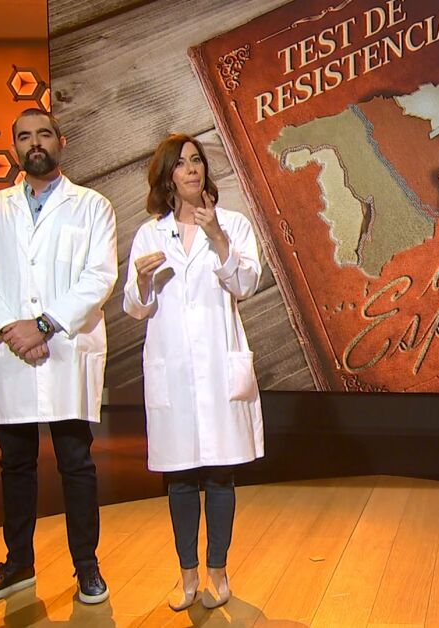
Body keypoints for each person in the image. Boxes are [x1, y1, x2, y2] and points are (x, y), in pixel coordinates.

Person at [0, 107, 118, 605]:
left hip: (65, 348)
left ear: (61, 142)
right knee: (15, 464)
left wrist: (45, 325)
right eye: (24, 137)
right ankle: (18, 565)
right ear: (14, 148)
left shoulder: (92, 206)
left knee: (76, 462)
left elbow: (99, 277)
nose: (34, 144)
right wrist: (15, 331)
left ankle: (87, 567)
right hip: (13, 352)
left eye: (43, 134)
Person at [123, 133, 263, 611]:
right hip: (174, 372)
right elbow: (136, 307)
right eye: (181, 163)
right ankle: (187, 575)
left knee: (220, 474)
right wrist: (142, 281)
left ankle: (218, 570)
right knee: (180, 476)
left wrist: (218, 239)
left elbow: (246, 284)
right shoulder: (150, 235)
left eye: (197, 160)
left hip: (218, 365)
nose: (192, 169)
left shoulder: (233, 225)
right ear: (167, 177)